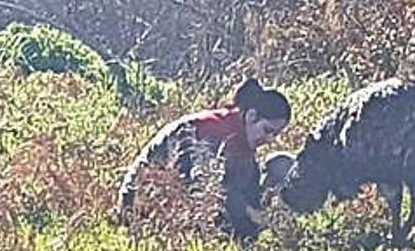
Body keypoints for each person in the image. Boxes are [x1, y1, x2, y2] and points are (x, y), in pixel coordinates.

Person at [117, 78, 291, 241]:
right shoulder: (210, 129)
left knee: (282, 165)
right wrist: (250, 213)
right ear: (251, 116)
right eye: (267, 130)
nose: (270, 140)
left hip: (187, 208)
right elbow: (203, 188)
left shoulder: (242, 138)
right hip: (143, 208)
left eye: (276, 134)